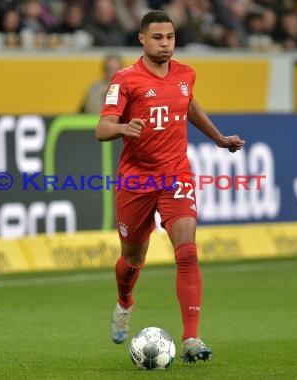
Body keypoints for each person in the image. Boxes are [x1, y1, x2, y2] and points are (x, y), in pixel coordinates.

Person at [95, 10, 245, 363]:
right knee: (132, 258)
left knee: (188, 251)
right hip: (136, 180)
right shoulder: (125, 79)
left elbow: (188, 104)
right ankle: (124, 301)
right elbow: (102, 129)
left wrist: (219, 138)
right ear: (142, 39)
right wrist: (121, 128)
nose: (166, 44)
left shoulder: (185, 74)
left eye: (171, 38)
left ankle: (191, 337)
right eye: (158, 38)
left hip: (176, 175)